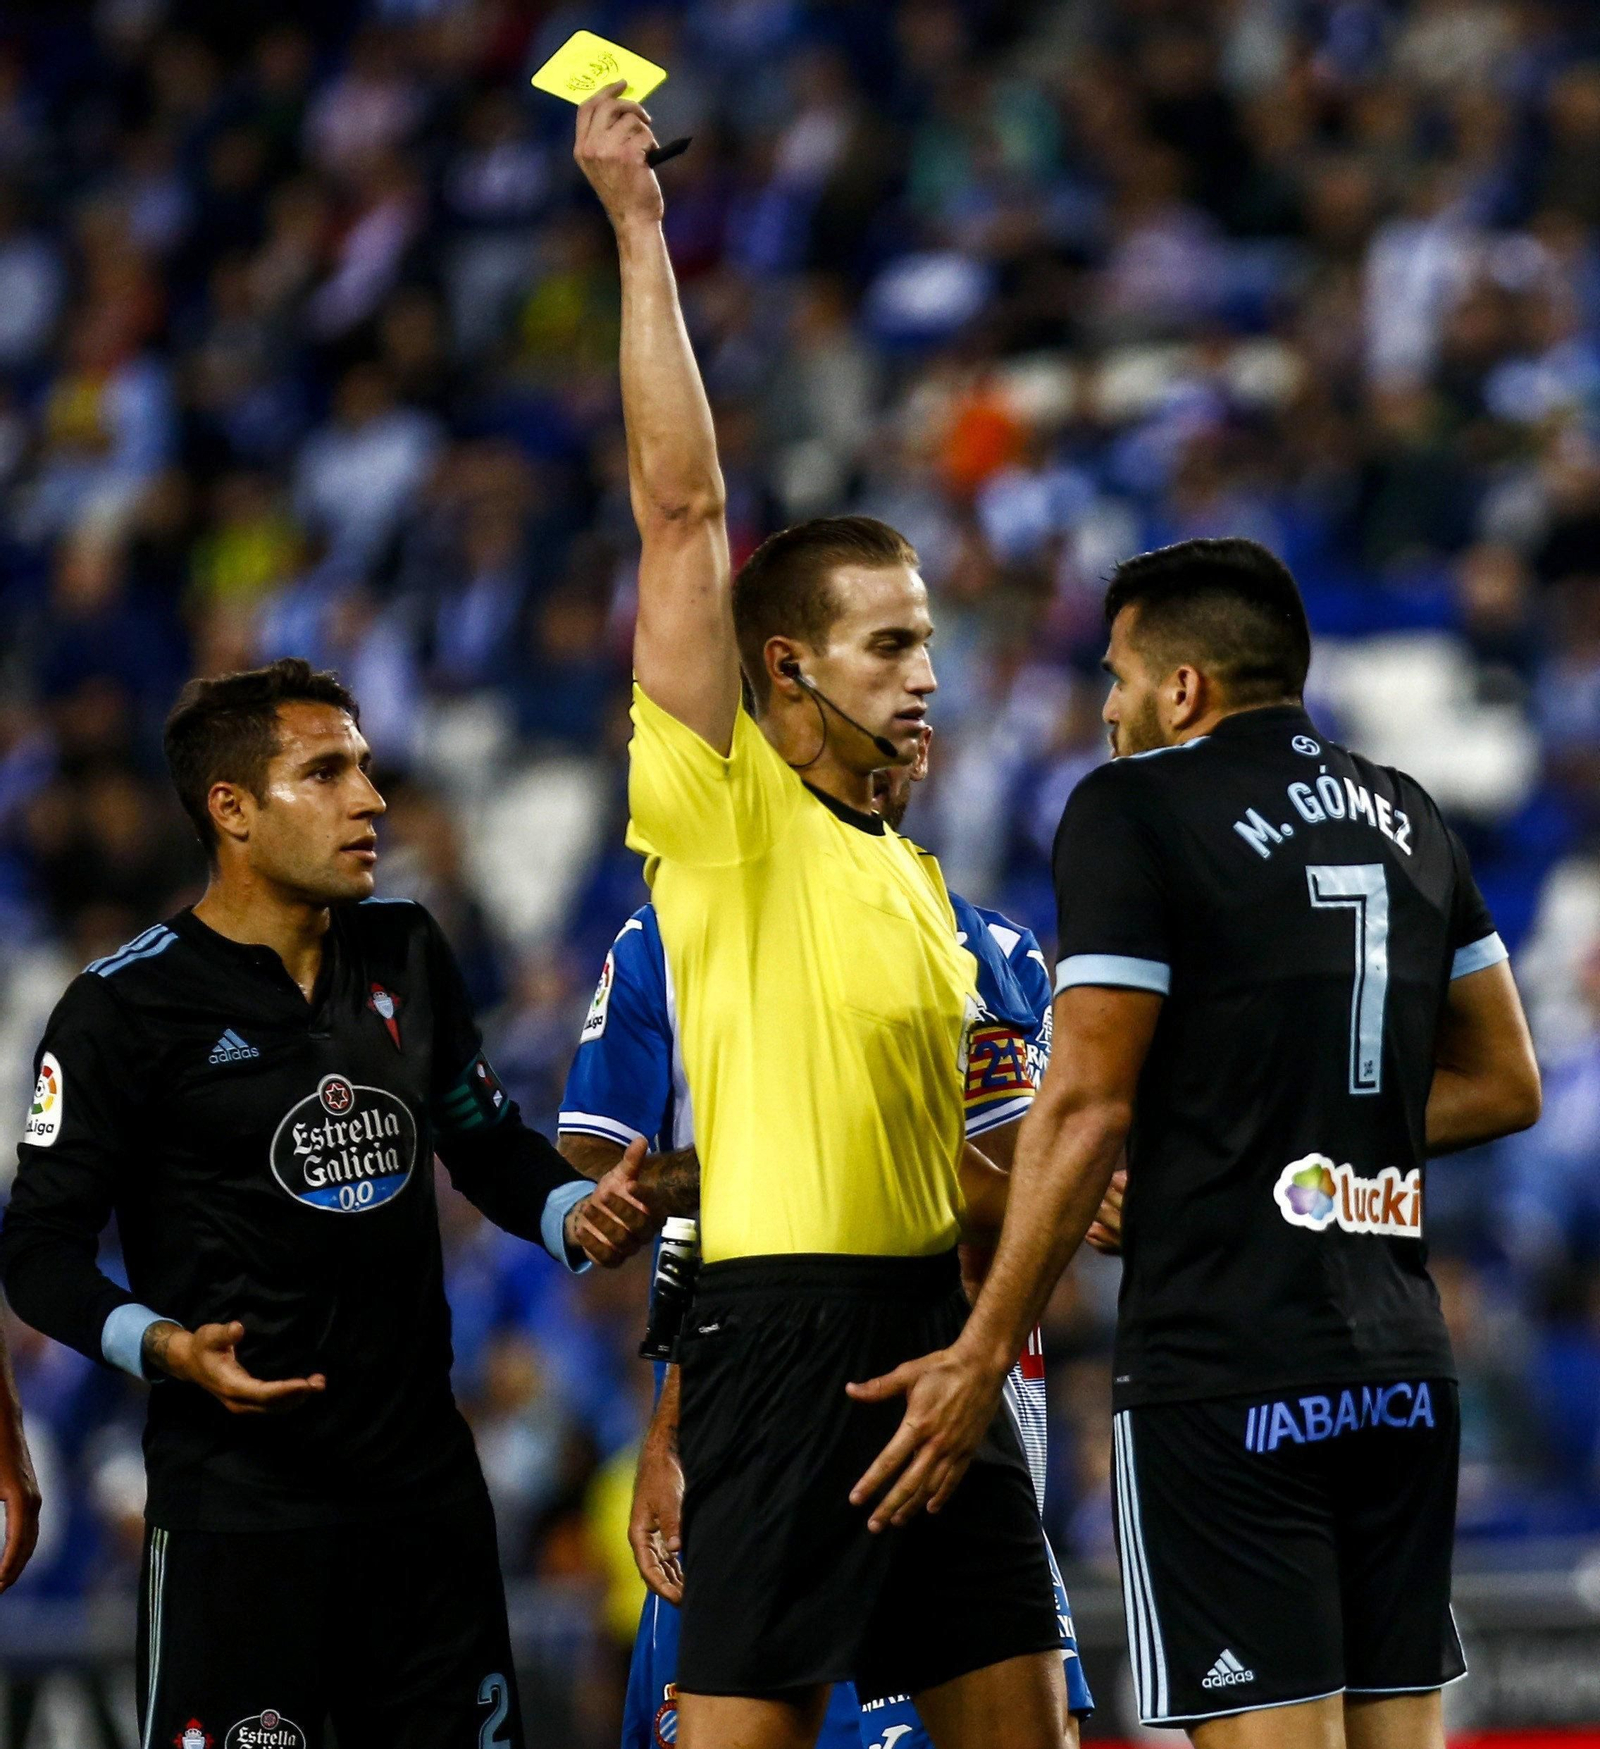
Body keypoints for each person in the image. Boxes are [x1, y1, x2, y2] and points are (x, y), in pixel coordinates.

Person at [848, 538, 1544, 1747]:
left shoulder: (1133, 806)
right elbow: (1502, 1082)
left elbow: (1084, 1103)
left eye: (1118, 676)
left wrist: (984, 1345)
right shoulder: (1409, 814)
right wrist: (1294, 1135)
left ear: (1183, 689)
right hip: (1400, 1366)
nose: (1107, 707)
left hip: (1228, 1371)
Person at [572, 84, 1067, 1749]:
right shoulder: (726, 819)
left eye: (930, 644)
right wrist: (642, 230)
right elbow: (684, 514)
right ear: (785, 669)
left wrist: (1078, 1172)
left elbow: (932, 1151)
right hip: (778, 1350)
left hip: (945, 1339)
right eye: (886, 650)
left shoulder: (923, 889)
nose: (927, 681)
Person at [0, 658, 658, 1749]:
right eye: (327, 772)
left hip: (425, 1509)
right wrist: (163, 1345)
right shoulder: (123, 1010)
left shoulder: (406, 948)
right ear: (234, 811)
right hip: (238, 1518)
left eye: (364, 766)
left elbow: (485, 1139)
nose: (371, 798)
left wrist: (571, 1214)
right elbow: (38, 1249)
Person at [557, 744, 1097, 1749]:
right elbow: (602, 1174)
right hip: (752, 1400)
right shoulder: (668, 940)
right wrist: (669, 1427)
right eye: (888, 650)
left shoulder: (996, 950)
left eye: (919, 654)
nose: (918, 701)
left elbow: (1025, 1221)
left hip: (961, 1417)